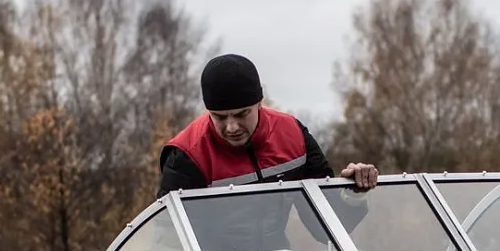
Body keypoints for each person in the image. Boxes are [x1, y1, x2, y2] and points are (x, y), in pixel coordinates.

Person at [157, 53, 377, 196]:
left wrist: (350, 193)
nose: (231, 127)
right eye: (220, 117)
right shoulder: (187, 156)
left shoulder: (293, 135)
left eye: (242, 114)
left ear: (259, 103)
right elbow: (168, 244)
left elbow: (324, 226)